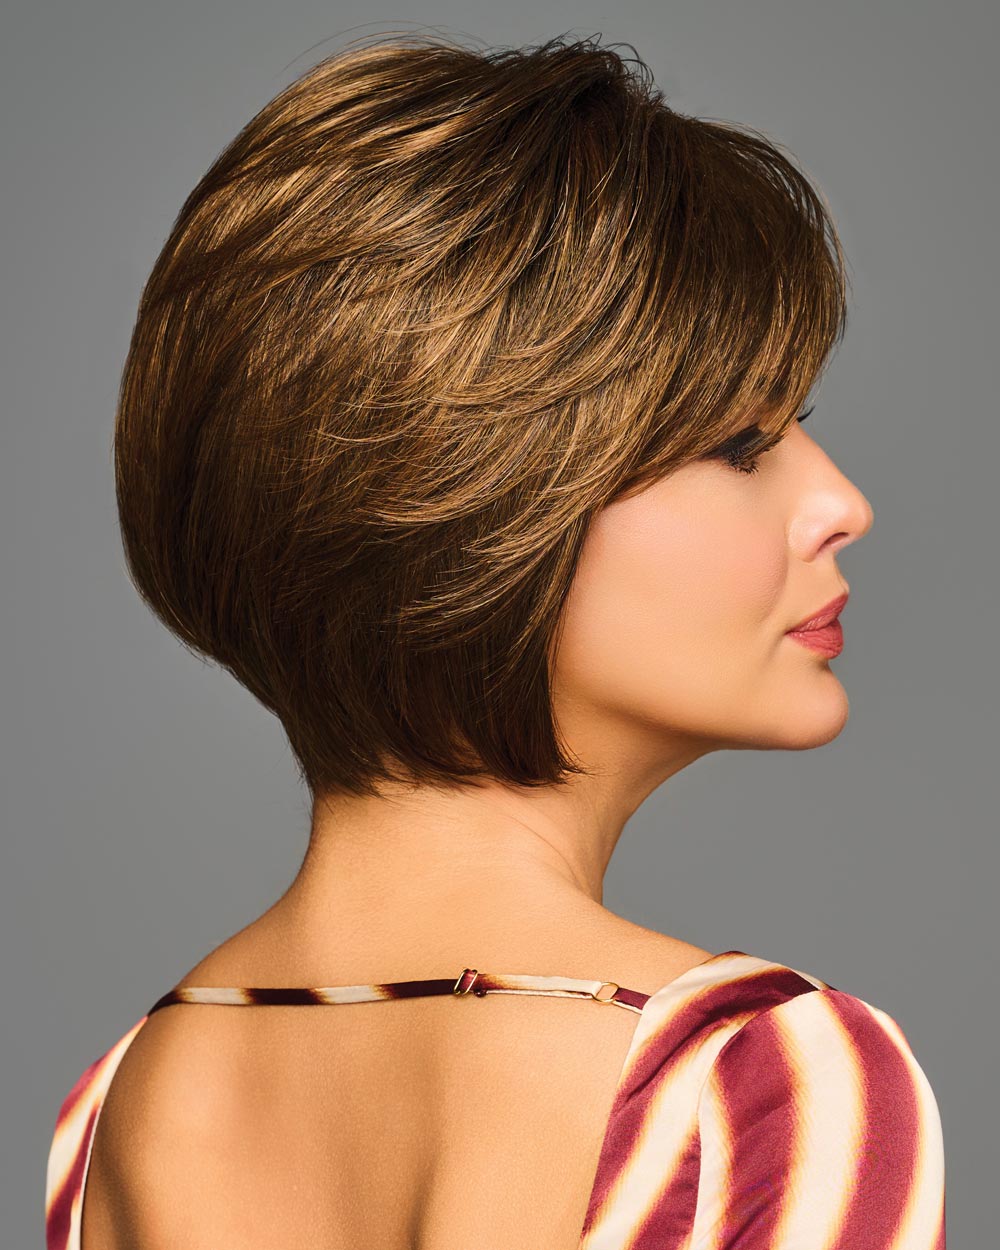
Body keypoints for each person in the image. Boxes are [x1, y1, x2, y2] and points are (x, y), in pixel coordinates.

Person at [45, 31, 946, 1250]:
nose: (841, 501)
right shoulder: (758, 1086)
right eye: (740, 445)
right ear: (469, 491)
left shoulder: (118, 1107)